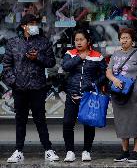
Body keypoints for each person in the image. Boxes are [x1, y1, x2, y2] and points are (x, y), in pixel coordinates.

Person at [2, 14, 59, 163]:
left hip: (38, 88)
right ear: (23, 26)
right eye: (31, 23)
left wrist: (38, 57)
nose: (34, 25)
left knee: (40, 119)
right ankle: (18, 150)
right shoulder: (13, 43)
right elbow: (6, 66)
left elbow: (51, 62)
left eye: (35, 23)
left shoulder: (43, 42)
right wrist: (14, 82)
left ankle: (48, 150)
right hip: (19, 89)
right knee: (20, 120)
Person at [106, 28, 137, 163]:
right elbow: (108, 71)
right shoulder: (115, 54)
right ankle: (125, 151)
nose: (124, 40)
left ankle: (136, 152)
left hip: (134, 94)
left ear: (132, 40)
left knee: (136, 121)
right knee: (122, 122)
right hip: (119, 95)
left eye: (127, 38)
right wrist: (114, 80)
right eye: (122, 38)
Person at [61, 29, 107, 162]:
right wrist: (79, 58)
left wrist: (93, 84)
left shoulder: (97, 56)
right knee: (68, 123)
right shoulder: (70, 53)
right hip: (72, 94)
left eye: (81, 40)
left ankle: (86, 151)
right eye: (76, 40)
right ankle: (70, 151)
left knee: (88, 123)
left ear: (88, 41)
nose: (79, 42)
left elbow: (104, 75)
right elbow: (65, 67)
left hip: (88, 96)